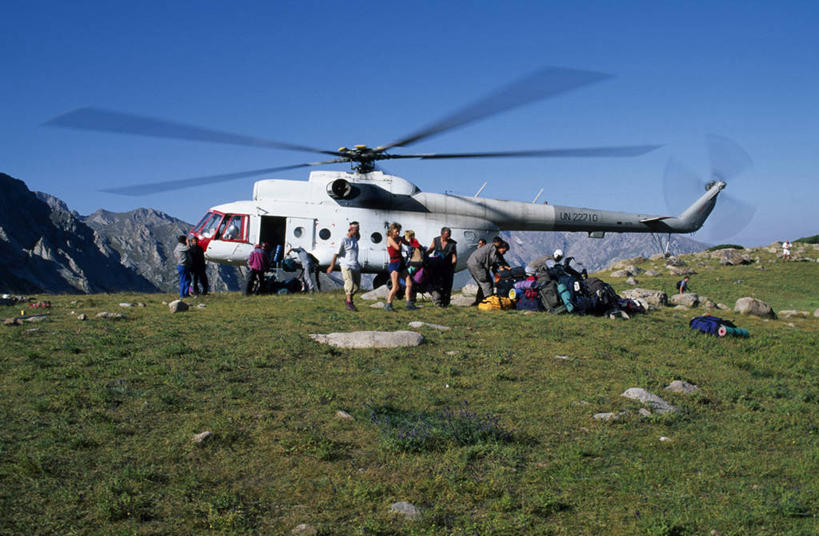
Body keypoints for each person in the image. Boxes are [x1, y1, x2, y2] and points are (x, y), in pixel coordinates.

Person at [327, 222, 361, 311]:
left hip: (355, 265)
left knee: (356, 287)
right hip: (346, 265)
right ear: (351, 229)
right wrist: (332, 266)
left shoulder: (354, 239)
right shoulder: (343, 240)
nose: (357, 231)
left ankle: (348, 298)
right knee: (349, 283)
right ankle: (349, 303)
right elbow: (336, 254)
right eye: (356, 230)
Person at [467, 239, 510, 305]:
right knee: (487, 283)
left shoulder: (490, 247)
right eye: (504, 250)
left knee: (482, 284)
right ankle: (489, 302)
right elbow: (494, 259)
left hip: (471, 263)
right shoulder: (493, 248)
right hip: (477, 265)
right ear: (501, 247)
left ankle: (479, 301)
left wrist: (504, 265)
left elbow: (500, 258)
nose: (504, 253)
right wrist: (501, 266)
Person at [385, 223, 416, 312]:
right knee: (396, 287)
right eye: (396, 231)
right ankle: (388, 304)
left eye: (399, 231)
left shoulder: (398, 238)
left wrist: (410, 240)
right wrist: (400, 241)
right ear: (392, 230)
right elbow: (397, 248)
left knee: (409, 283)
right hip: (394, 263)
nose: (398, 233)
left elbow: (408, 243)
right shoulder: (390, 239)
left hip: (401, 262)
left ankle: (408, 303)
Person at [427, 226, 458, 307]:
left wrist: (453, 268)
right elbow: (431, 249)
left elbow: (454, 257)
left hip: (447, 267)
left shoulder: (452, 244)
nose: (449, 237)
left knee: (447, 286)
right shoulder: (436, 240)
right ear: (442, 234)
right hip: (436, 267)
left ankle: (445, 303)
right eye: (447, 235)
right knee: (436, 284)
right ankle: (437, 302)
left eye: (449, 235)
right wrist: (424, 255)